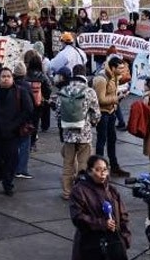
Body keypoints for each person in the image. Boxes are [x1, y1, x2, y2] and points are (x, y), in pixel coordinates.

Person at [0, 66, 34, 195]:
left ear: (12, 78)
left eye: (8, 76)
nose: (6, 79)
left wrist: (15, 124)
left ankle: (7, 183)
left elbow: (28, 110)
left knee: (11, 160)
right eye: (3, 76)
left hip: (12, 132)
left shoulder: (20, 92)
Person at [69, 155, 132, 260]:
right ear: (89, 171)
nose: (102, 173)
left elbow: (123, 216)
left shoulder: (112, 190)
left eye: (105, 170)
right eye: (98, 170)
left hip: (114, 245)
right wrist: (102, 223)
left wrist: (125, 239)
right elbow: (77, 217)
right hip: (90, 246)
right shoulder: (79, 190)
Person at [57, 66, 101, 201]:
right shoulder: (89, 91)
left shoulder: (64, 90)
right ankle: (82, 192)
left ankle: (67, 192)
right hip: (84, 133)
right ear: (84, 75)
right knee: (84, 164)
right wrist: (93, 123)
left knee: (68, 164)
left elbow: (58, 112)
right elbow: (96, 113)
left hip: (68, 133)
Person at [93, 56, 132, 179]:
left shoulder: (115, 77)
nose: (122, 71)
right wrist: (117, 98)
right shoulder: (101, 79)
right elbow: (100, 100)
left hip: (111, 112)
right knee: (101, 141)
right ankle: (98, 169)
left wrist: (120, 95)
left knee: (112, 140)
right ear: (113, 67)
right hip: (102, 113)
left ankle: (114, 167)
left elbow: (112, 94)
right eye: (120, 68)